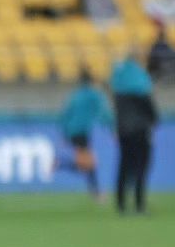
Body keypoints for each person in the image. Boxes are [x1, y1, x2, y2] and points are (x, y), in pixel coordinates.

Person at [110, 53, 158, 214]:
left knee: (123, 167)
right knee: (141, 168)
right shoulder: (141, 82)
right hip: (141, 131)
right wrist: (153, 121)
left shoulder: (119, 83)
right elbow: (151, 111)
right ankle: (139, 204)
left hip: (124, 131)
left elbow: (115, 111)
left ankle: (121, 204)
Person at [56, 73, 111, 201]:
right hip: (81, 132)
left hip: (72, 132)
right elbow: (103, 113)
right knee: (89, 164)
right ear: (92, 83)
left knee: (87, 164)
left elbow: (65, 115)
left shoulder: (75, 96)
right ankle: (60, 164)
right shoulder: (94, 95)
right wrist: (112, 126)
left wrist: (64, 134)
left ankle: (95, 193)